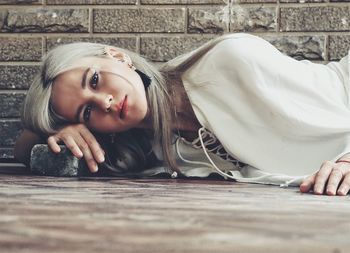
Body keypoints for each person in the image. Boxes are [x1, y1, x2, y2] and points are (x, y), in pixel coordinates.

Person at [14, 33, 350, 196]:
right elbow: (20, 148)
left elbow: (338, 108)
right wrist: (53, 135)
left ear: (118, 56)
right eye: (86, 112)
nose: (105, 102)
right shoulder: (149, 147)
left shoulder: (231, 62)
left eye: (96, 80)